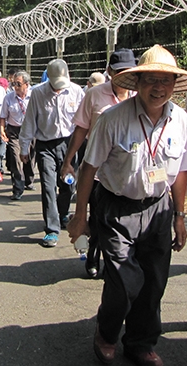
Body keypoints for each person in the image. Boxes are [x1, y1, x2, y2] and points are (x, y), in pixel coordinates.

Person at [66, 44, 187, 366]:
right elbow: (89, 167)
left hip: (159, 209)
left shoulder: (180, 120)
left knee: (154, 281)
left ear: (174, 85)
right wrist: (80, 215)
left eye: (165, 81)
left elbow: (182, 170)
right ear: (137, 83)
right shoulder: (113, 119)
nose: (159, 88)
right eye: (151, 80)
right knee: (124, 280)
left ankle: (140, 342)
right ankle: (107, 333)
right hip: (116, 208)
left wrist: (180, 217)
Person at [60, 48, 137, 278]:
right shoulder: (95, 95)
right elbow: (81, 128)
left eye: (128, 71)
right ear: (109, 72)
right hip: (96, 169)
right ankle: (93, 256)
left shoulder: (140, 95)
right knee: (97, 215)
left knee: (119, 218)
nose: (124, 76)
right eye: (119, 71)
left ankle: (119, 260)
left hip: (127, 169)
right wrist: (68, 161)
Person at [20, 58, 85, 247]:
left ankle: (63, 213)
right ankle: (51, 230)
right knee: (48, 187)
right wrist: (25, 148)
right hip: (45, 146)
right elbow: (30, 122)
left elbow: (83, 121)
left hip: (70, 145)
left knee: (68, 185)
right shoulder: (38, 93)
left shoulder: (76, 91)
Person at [0, 70, 36, 200]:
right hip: (14, 131)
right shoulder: (8, 98)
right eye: (13, 83)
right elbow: (3, 116)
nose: (15, 86)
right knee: (16, 159)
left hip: (31, 130)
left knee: (30, 157)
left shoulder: (34, 96)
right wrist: (2, 130)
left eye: (18, 84)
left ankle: (29, 179)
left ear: (26, 84)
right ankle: (17, 188)